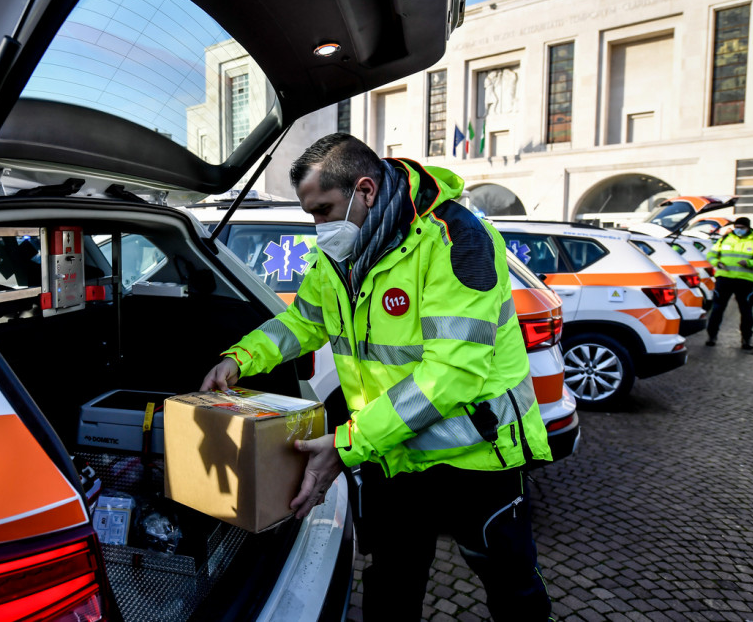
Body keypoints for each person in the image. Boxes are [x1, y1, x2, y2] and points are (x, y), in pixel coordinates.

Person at [201, 133, 553, 621]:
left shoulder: (457, 240)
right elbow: (303, 321)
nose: (318, 226)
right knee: (392, 582)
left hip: (477, 454)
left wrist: (348, 442)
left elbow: (451, 375)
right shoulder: (338, 254)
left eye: (323, 210)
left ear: (365, 190)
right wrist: (241, 357)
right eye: (310, 214)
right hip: (394, 452)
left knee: (510, 585)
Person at [705, 216, 753, 349]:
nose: (738, 230)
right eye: (737, 227)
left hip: (745, 281)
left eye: (741, 228)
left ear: (748, 228)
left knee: (746, 311)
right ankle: (711, 336)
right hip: (724, 279)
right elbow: (711, 254)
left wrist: (749, 263)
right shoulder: (725, 239)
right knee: (717, 309)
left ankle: (746, 339)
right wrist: (716, 262)